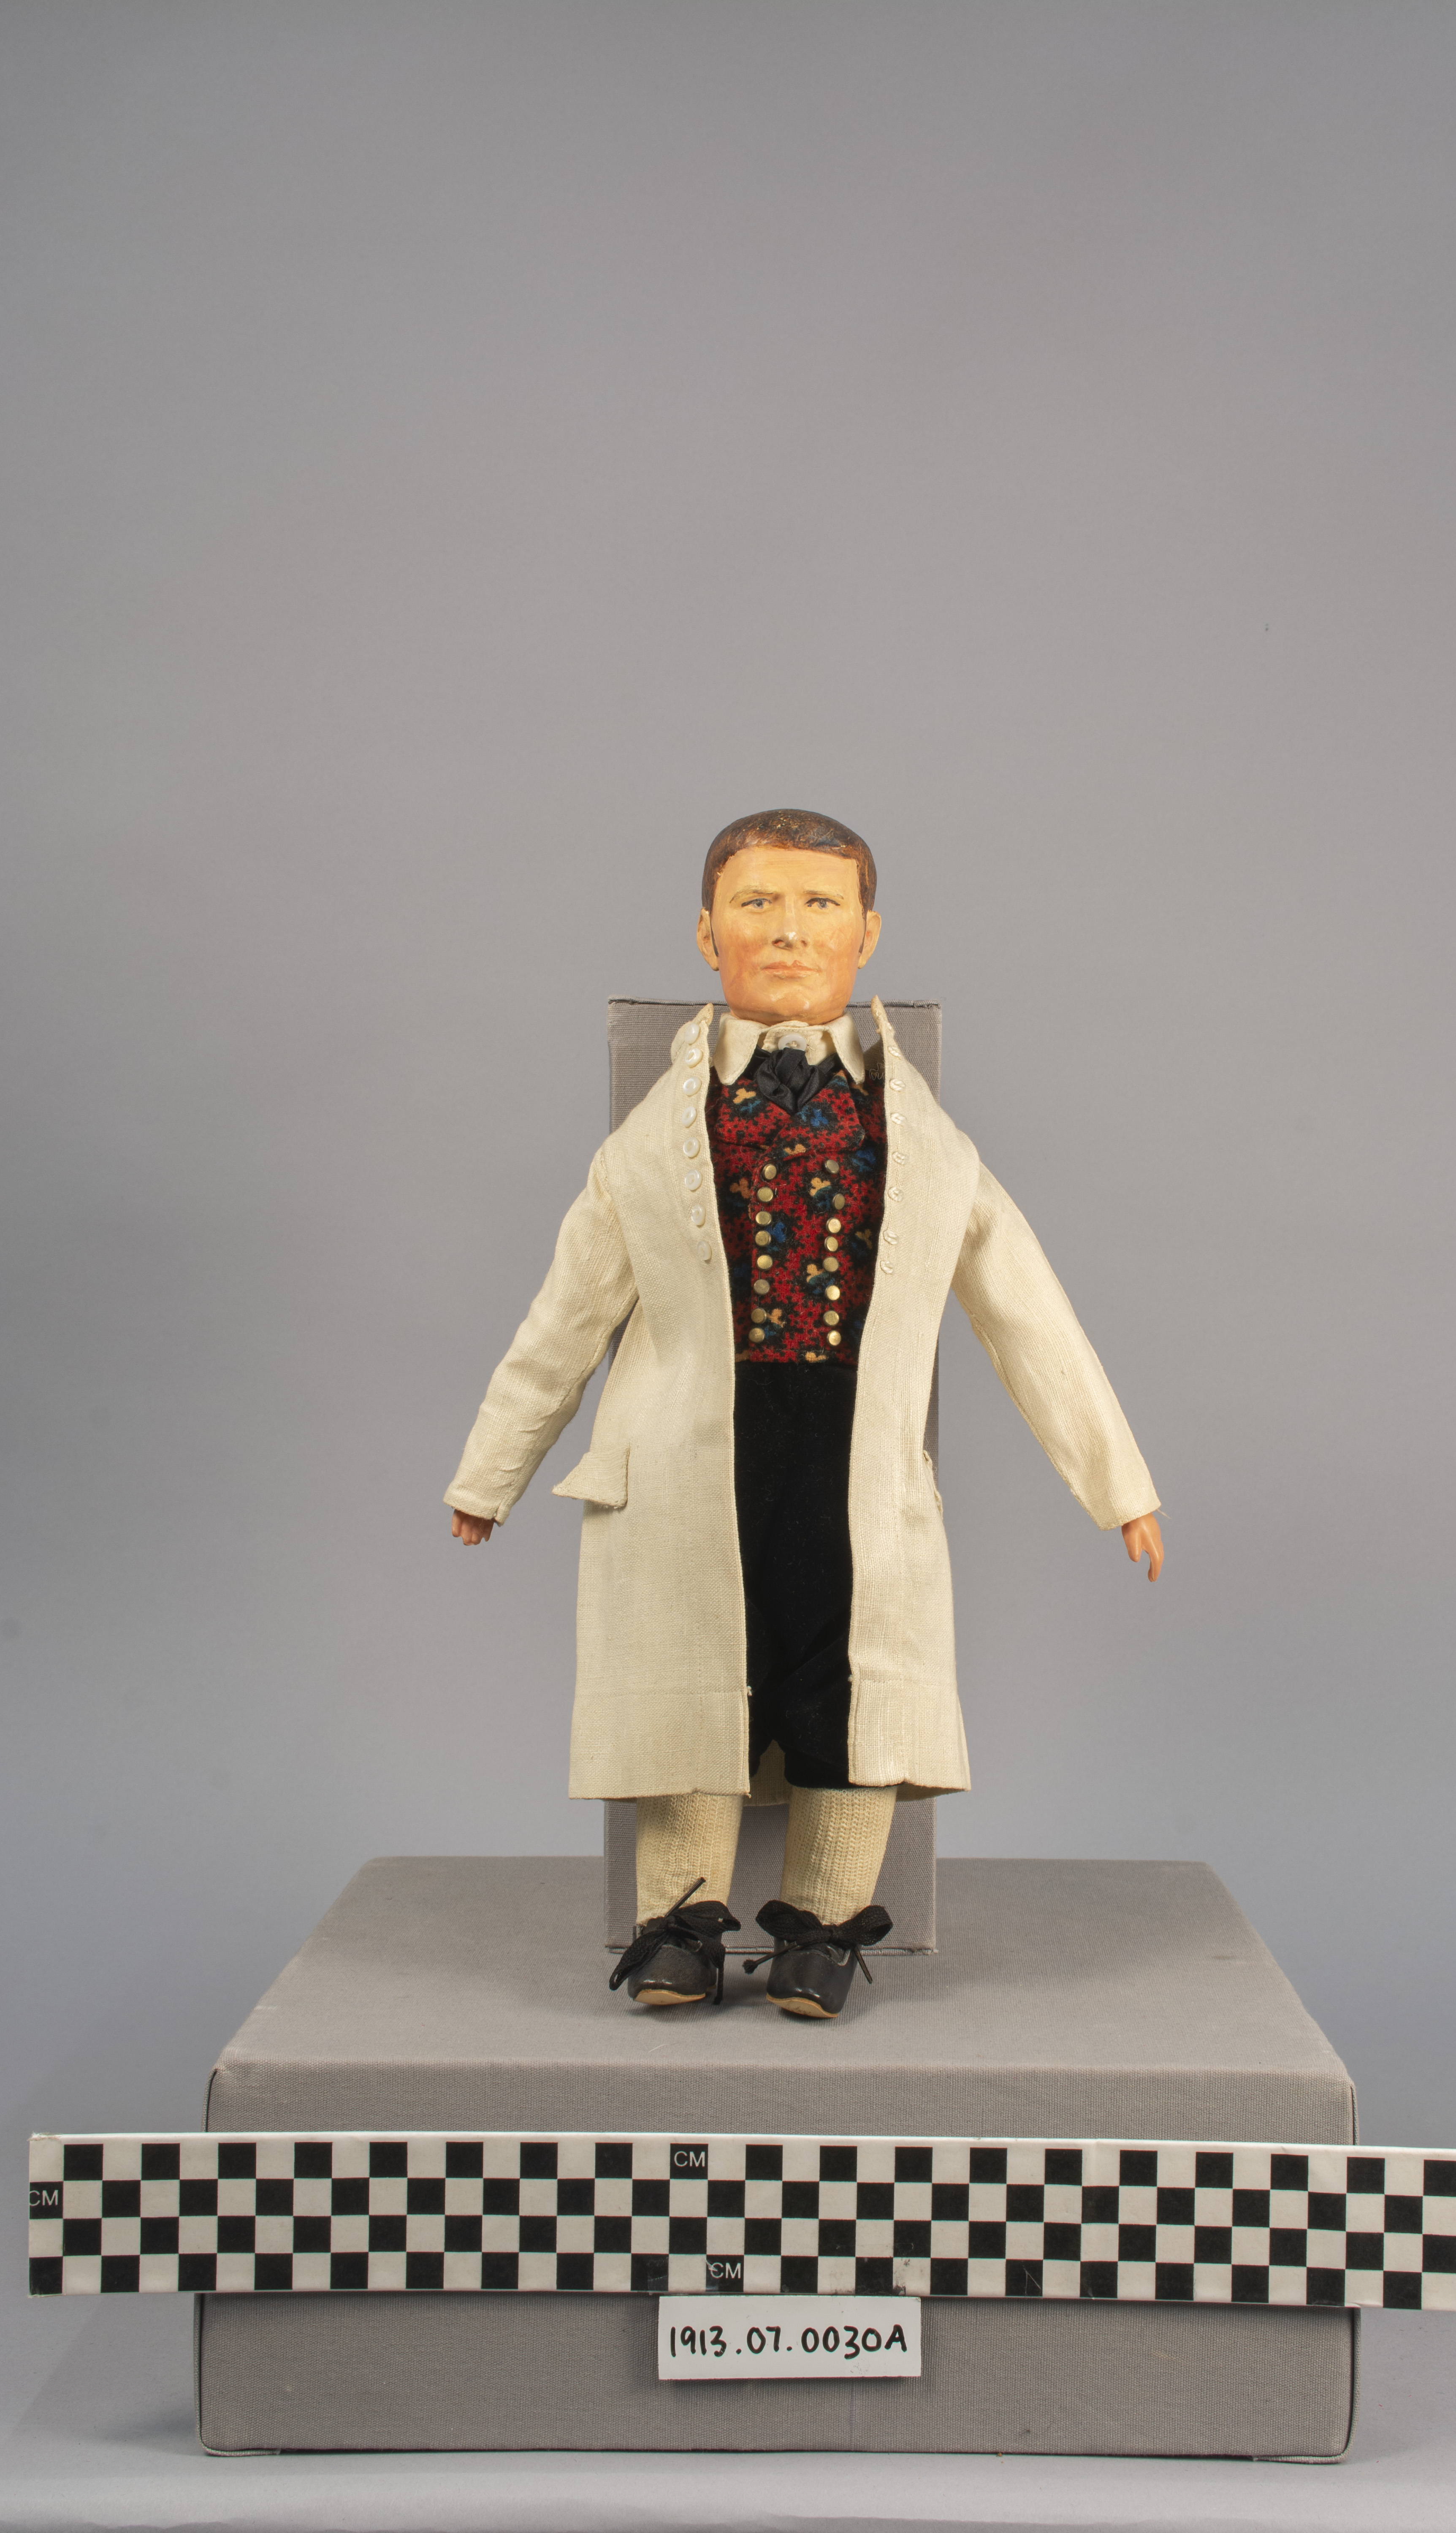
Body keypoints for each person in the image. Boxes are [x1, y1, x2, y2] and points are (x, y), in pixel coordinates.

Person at [445, 810, 1163, 2019]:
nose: (789, 931)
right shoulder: (648, 1146)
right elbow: (564, 1317)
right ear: (707, 933)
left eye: (821, 904)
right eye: (758, 903)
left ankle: (824, 1928)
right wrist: (489, 1474)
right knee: (697, 1682)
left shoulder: (928, 1145)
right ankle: (677, 1926)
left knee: (850, 1683)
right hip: (689, 1451)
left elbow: (1026, 1308)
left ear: (868, 934)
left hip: (855, 1450)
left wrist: (1118, 1485)